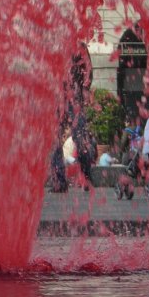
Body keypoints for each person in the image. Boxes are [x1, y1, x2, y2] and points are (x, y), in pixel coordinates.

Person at [51, 43, 93, 192]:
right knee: (57, 139)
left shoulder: (76, 46)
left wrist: (84, 89)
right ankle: (62, 181)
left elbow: (88, 70)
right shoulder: (54, 44)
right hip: (60, 99)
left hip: (71, 99)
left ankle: (83, 177)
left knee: (78, 138)